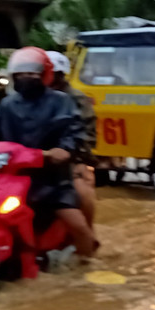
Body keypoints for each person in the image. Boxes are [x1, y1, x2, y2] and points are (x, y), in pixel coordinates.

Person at [0, 47, 97, 260]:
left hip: (50, 178)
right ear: (14, 76)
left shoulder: (62, 101)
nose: (26, 77)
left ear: (43, 74)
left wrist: (65, 149)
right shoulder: (7, 104)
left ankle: (88, 260)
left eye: (32, 73)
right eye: (21, 73)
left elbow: (74, 130)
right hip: (11, 176)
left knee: (75, 223)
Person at [48, 51, 98, 229]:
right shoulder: (27, 99)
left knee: (82, 194)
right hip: (35, 159)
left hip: (70, 159)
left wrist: (77, 159)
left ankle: (87, 238)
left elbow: (86, 134)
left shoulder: (76, 100)